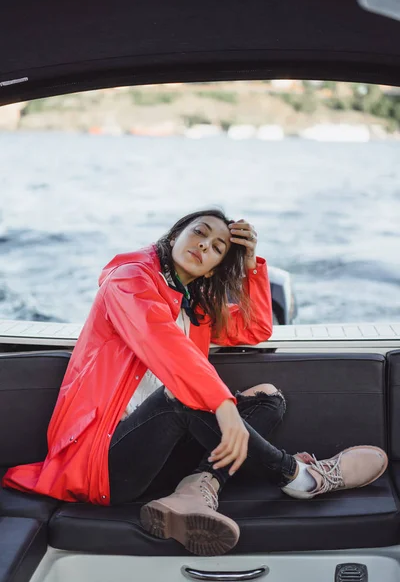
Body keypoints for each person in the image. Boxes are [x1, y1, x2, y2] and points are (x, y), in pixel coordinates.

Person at [2, 209, 388, 557]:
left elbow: (255, 328)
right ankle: (300, 478)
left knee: (269, 398)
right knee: (181, 397)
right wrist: (223, 406)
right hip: (104, 461)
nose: (204, 245)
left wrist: (251, 266)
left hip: (156, 455)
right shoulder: (129, 281)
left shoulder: (194, 305)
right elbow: (165, 346)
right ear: (174, 237)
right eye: (199, 233)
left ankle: (195, 491)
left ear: (214, 268)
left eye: (218, 246)